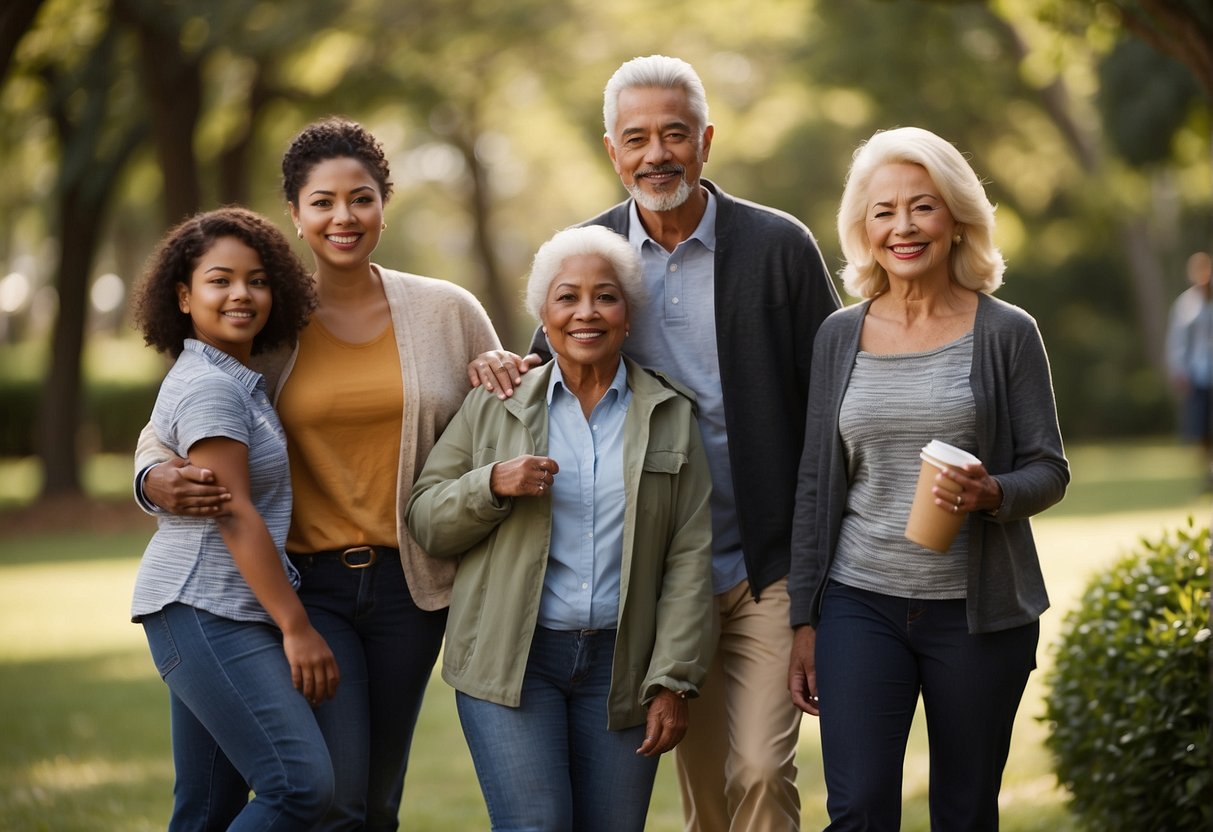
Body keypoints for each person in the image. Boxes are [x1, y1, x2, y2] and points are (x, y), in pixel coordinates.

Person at [469, 54, 841, 831]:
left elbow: (832, 410)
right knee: (706, 790)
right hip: (660, 572)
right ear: (612, 151)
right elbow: (551, 375)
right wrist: (506, 361)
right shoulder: (586, 251)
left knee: (761, 770)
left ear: (705, 140)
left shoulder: (779, 248)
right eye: (635, 138)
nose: (655, 154)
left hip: (764, 566)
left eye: (674, 134)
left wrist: (814, 582)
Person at [134, 118, 503, 830]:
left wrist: (503, 370)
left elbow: (505, 418)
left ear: (383, 206)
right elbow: (178, 417)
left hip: (412, 587)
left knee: (376, 802)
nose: (344, 217)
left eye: (360, 198)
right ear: (296, 216)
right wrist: (151, 477)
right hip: (309, 583)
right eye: (323, 202)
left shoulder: (446, 310)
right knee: (330, 797)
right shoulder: (266, 315)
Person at [786, 126, 1070, 830]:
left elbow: (1048, 469)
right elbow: (817, 486)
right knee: (857, 807)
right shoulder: (837, 335)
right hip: (860, 604)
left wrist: (992, 493)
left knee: (964, 811)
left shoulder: (1006, 332)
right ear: (863, 228)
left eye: (922, 206)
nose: (902, 227)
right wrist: (802, 619)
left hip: (975, 615)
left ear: (955, 220)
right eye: (883, 212)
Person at [407, 224, 715, 832]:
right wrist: (491, 484)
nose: (586, 312)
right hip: (512, 659)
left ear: (628, 316)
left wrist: (673, 681)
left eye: (605, 296)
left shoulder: (672, 413)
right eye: (567, 296)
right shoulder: (495, 403)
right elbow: (426, 519)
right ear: (543, 316)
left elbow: (689, 557)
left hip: (622, 665)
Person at [129, 206, 337, 829]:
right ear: (184, 296)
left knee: (207, 808)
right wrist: (296, 627)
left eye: (257, 279)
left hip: (212, 608)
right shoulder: (211, 387)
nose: (241, 294)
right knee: (298, 787)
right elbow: (234, 511)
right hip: (205, 607)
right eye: (220, 280)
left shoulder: (236, 379)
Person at [1165, 250, 1213, 481]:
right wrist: (1178, 370)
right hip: (1200, 373)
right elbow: (1178, 340)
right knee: (1201, 426)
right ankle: (1208, 471)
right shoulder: (1187, 304)